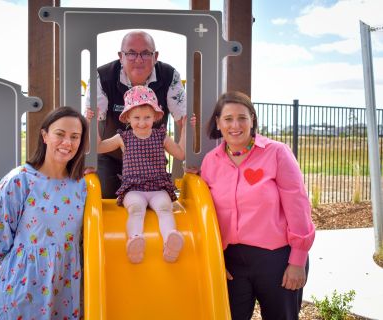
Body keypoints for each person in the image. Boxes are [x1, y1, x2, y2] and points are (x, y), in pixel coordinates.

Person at [197, 91, 315, 319]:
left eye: (242, 117)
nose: (235, 125)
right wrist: (216, 259)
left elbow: (298, 206)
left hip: (277, 260)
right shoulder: (211, 161)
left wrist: (298, 260)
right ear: (218, 123)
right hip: (231, 264)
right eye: (228, 118)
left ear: (252, 119)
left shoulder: (277, 153)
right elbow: (207, 214)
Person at [0, 107, 88, 319]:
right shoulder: (20, 180)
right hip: (24, 285)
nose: (67, 142)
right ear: (45, 135)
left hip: (66, 286)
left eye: (75, 137)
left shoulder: (81, 186)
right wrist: (23, 262)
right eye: (60, 134)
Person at [88, 85, 186, 264]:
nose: (142, 122)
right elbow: (98, 147)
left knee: (165, 208)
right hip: (134, 189)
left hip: (158, 188)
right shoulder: (123, 138)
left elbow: (180, 153)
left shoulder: (161, 136)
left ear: (156, 116)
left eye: (147, 117)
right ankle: (135, 240)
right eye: (136, 118)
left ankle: (170, 240)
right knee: (136, 210)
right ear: (127, 118)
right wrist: (91, 124)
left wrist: (186, 128)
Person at [86, 30, 186, 198]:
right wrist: (87, 160)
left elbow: (184, 121)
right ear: (121, 56)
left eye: (146, 53)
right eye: (131, 53)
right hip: (112, 157)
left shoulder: (169, 76)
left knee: (158, 199)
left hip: (150, 159)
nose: (139, 60)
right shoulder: (102, 77)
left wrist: (189, 161)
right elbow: (91, 121)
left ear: (155, 56)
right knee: (104, 194)